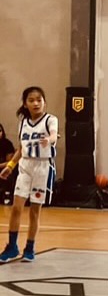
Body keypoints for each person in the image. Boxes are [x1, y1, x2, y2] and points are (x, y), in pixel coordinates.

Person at [0, 86, 58, 263]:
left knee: (34, 211)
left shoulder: (50, 120)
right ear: (25, 104)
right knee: (16, 207)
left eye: (39, 100)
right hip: (25, 167)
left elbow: (54, 135)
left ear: (44, 102)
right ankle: (12, 247)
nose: (36, 103)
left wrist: (49, 139)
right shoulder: (23, 123)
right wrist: (10, 166)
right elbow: (21, 148)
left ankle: (30, 247)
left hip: (43, 167)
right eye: (31, 100)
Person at [0, 122, 16, 204]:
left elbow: (9, 161)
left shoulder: (7, 144)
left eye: (0, 131)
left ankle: (6, 195)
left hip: (3, 167)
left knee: (9, 173)